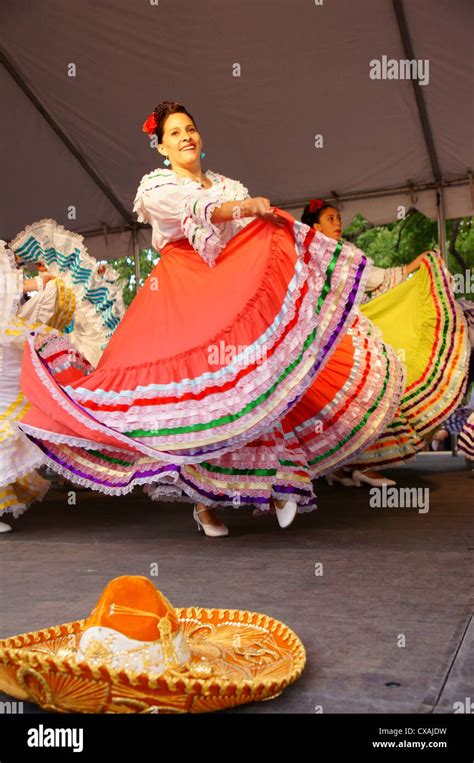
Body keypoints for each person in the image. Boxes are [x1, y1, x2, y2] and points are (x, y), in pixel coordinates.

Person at [17, 101, 405, 536]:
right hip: (181, 295)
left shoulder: (225, 183)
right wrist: (245, 209)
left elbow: (246, 235)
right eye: (176, 133)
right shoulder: (156, 186)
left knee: (254, 382)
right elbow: (195, 211)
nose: (186, 137)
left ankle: (278, 482)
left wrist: (266, 224)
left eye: (191, 129)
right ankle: (203, 504)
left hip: (230, 290)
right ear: (161, 147)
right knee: (194, 400)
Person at [288, 199, 469, 486]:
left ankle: (355, 466)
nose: (338, 223)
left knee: (365, 399)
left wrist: (416, 265)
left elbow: (377, 279)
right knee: (344, 404)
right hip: (323, 341)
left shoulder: (345, 253)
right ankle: (346, 467)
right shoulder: (305, 257)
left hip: (346, 335)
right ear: (315, 227)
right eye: (331, 219)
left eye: (338, 218)